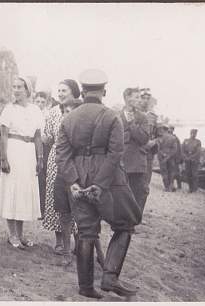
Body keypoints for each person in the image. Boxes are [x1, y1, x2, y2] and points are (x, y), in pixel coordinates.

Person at [56, 69, 141, 299]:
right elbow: (116, 153)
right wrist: (101, 185)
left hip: (78, 176)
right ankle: (110, 277)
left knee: (86, 232)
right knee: (125, 224)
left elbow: (61, 155)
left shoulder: (68, 118)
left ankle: (85, 288)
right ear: (104, 91)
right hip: (109, 179)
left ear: (82, 92)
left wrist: (73, 182)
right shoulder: (112, 116)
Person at [0, 76, 44, 249]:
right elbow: (3, 135)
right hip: (13, 150)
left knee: (24, 192)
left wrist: (40, 157)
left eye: (20, 87)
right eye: (14, 87)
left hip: (29, 152)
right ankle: (12, 235)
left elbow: (38, 136)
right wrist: (3, 158)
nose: (16, 90)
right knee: (12, 190)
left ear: (27, 90)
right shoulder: (9, 109)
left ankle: (20, 234)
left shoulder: (35, 110)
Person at [42, 79, 80, 261]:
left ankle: (78, 241)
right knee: (56, 200)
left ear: (73, 92)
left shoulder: (80, 111)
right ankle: (59, 242)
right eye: (58, 90)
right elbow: (48, 137)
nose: (60, 93)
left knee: (77, 200)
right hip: (56, 159)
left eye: (64, 90)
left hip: (76, 159)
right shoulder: (52, 112)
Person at [120, 88, 150, 207]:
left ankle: (135, 218)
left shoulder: (142, 117)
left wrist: (131, 125)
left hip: (137, 163)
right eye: (136, 97)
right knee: (121, 193)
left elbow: (144, 138)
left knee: (139, 193)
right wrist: (129, 135)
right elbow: (113, 138)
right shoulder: (116, 116)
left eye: (140, 97)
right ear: (127, 98)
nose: (139, 100)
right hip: (120, 161)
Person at [35, 90, 52, 219]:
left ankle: (42, 209)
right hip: (32, 149)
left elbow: (48, 135)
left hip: (45, 149)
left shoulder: (48, 115)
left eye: (42, 102)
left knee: (42, 178)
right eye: (37, 101)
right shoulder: (30, 113)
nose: (40, 104)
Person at [156, 124, 178, 192]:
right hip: (171, 157)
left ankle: (166, 187)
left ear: (163, 129)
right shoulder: (173, 138)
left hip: (162, 157)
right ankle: (171, 186)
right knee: (171, 172)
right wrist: (168, 156)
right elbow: (175, 149)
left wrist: (163, 154)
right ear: (167, 129)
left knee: (164, 172)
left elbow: (158, 148)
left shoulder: (160, 138)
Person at [169, 125, 184, 190]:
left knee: (176, 172)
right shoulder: (167, 137)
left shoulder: (176, 138)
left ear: (173, 130)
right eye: (169, 129)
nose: (170, 130)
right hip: (169, 157)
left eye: (171, 129)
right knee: (170, 171)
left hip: (175, 157)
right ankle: (171, 184)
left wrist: (179, 158)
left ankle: (179, 185)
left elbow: (179, 149)